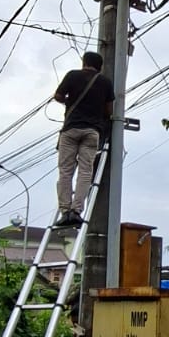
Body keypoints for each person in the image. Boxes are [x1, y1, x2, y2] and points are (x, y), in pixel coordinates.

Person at [54, 51, 113, 226]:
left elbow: (57, 96)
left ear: (84, 63)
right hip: (92, 131)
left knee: (66, 171)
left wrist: (70, 102)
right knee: (85, 171)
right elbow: (109, 110)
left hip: (71, 129)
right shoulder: (105, 82)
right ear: (100, 66)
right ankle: (77, 211)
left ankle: (65, 210)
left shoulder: (73, 75)